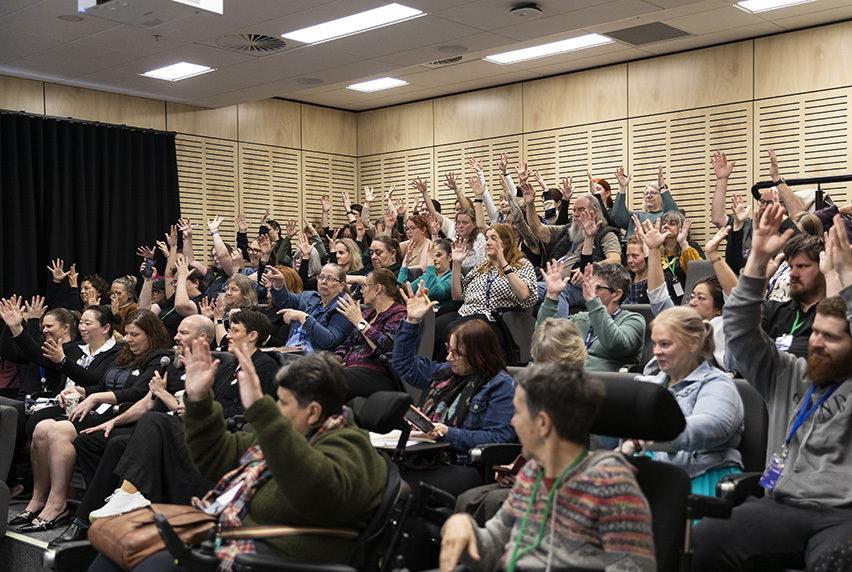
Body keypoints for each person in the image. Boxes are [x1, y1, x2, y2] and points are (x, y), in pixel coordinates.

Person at [86, 340, 388, 571]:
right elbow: (216, 456)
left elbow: (313, 488)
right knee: (113, 554)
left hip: (262, 559)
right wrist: (199, 400)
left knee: (140, 562)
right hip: (229, 540)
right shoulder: (293, 436)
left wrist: (261, 410)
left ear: (313, 412)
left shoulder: (353, 449)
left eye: (282, 404)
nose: (276, 410)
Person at [692, 208, 852, 571]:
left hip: (842, 515)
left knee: (836, 559)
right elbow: (739, 331)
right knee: (707, 537)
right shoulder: (788, 374)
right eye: (814, 335)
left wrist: (845, 276)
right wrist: (757, 263)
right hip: (781, 503)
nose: (818, 344)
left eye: (832, 337)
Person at [439, 363, 656, 572]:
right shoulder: (531, 474)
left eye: (517, 412)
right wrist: (464, 528)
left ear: (543, 423)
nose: (513, 422)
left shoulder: (611, 486)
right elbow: (492, 549)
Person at [48, 314, 221, 546]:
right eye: (177, 331)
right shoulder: (172, 363)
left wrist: (163, 394)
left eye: (183, 333)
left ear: (202, 337)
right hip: (152, 430)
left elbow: (189, 412)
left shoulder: (214, 367)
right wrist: (114, 421)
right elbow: (146, 403)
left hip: (183, 433)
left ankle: (93, 517)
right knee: (89, 440)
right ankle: (100, 509)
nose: (176, 337)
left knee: (132, 434)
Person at [12, 309, 171, 532]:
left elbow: (137, 393)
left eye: (135, 335)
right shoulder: (124, 354)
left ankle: (57, 505)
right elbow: (102, 384)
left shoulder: (159, 358)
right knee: (41, 428)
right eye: (128, 334)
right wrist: (81, 391)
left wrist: (95, 396)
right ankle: (38, 500)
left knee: (59, 430)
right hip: (101, 411)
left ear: (151, 334)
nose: (129, 339)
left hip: (123, 416)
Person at [392, 285, 516, 497]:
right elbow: (404, 365)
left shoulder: (499, 384)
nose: (449, 358)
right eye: (449, 350)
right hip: (426, 457)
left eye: (457, 353)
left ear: (480, 355)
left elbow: (498, 438)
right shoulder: (445, 372)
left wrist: (448, 433)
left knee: (398, 488)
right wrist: (412, 322)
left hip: (465, 465)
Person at [622, 306, 744, 495]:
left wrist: (641, 441)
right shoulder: (646, 385)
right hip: (652, 476)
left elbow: (710, 426)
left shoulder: (718, 384)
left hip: (703, 479)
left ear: (693, 343)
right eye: (654, 344)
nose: (656, 352)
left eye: (665, 344)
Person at [513, 182, 621, 317]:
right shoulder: (568, 231)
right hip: (552, 280)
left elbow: (615, 259)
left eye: (581, 210)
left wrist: (591, 269)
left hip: (583, 287)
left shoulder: (605, 233)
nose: (575, 214)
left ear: (595, 213)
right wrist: (530, 204)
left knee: (557, 291)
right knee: (516, 287)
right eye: (574, 210)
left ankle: (560, 334)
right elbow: (538, 230)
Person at [537, 260, 645, 371]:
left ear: (617, 294)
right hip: (566, 378)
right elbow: (546, 337)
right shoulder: (580, 318)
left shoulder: (634, 320)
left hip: (604, 383)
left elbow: (615, 344)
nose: (590, 290)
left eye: (597, 288)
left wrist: (593, 301)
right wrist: (551, 296)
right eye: (589, 286)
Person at [334, 268, 407, 399]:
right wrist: (334, 360)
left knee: (330, 384)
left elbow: (387, 347)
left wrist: (359, 322)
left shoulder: (400, 314)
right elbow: (347, 344)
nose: (362, 290)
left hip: (377, 372)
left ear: (378, 289)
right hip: (351, 368)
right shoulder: (368, 314)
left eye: (365, 286)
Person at [759, 233, 826, 360]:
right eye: (791, 267)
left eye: (802, 266)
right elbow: (743, 343)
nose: (793, 274)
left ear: (823, 267)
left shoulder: (832, 315)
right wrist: (763, 279)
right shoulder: (773, 310)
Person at [267, 263, 353, 352]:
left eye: (329, 278)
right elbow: (284, 301)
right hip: (290, 352)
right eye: (321, 277)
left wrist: (303, 317)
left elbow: (330, 341)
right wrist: (279, 284)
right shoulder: (309, 296)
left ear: (341, 286)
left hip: (314, 359)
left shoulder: (344, 307)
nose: (323, 281)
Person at [611, 165, 679, 238]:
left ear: (662, 196)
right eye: (646, 193)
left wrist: (662, 187)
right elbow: (617, 215)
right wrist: (622, 188)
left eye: (653, 193)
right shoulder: (635, 217)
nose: (649, 196)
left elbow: (674, 216)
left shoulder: (664, 217)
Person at [656, 210, 704, 304]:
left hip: (688, 301)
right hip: (661, 301)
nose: (666, 226)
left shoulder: (691, 247)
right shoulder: (657, 250)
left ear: (681, 228)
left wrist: (683, 243)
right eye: (664, 223)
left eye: (672, 224)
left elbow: (699, 274)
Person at [624, 234, 650, 304]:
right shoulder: (624, 279)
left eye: (635, 256)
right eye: (628, 256)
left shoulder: (656, 282)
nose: (629, 260)